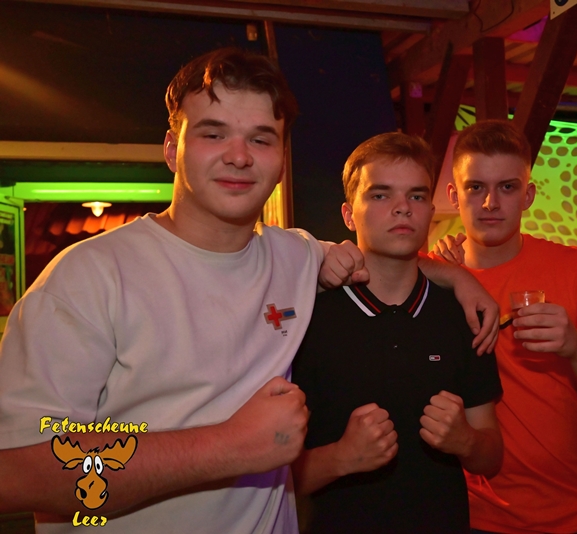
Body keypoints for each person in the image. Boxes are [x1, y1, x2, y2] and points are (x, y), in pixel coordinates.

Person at [0, 48, 498, 533]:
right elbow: (18, 474)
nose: (239, 156)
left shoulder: (296, 256)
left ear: (281, 162)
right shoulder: (88, 279)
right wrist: (227, 446)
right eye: (213, 133)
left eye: (261, 139)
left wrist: (460, 277)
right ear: (172, 149)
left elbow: (387, 259)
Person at [291, 132, 504, 534]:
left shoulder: (463, 313)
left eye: (416, 196)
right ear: (348, 214)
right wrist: (339, 458)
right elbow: (266, 480)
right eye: (380, 194)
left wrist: (466, 441)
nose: (403, 207)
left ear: (430, 211)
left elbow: (492, 457)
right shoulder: (308, 318)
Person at [433, 119, 577, 534]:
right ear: (454, 195)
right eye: (476, 187)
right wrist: (441, 273)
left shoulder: (574, 267)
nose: (491, 202)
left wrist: (575, 347)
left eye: (507, 187)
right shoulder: (430, 274)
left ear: (528, 195)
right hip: (475, 514)